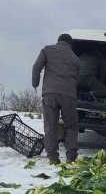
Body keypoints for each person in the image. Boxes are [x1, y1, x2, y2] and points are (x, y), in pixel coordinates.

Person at [32, 33, 80, 164]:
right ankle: (71, 157)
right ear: (70, 44)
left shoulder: (47, 50)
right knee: (71, 126)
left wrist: (35, 83)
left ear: (58, 41)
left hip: (50, 94)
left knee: (50, 126)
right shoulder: (76, 58)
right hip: (69, 96)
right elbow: (78, 79)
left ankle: (53, 157)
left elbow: (36, 67)